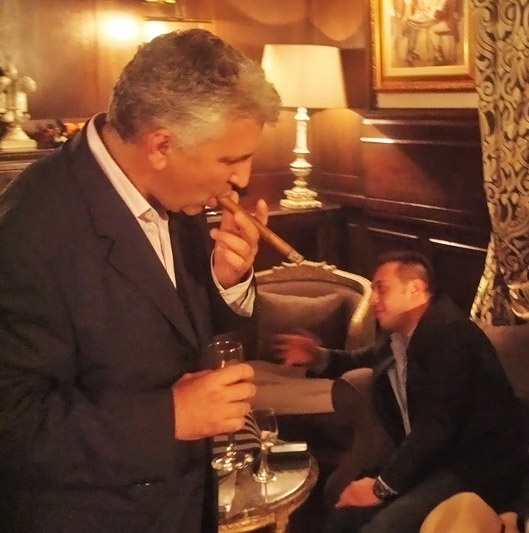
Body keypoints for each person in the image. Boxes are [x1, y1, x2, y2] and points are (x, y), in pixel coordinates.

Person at [0, 29, 280, 532]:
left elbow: (188, 343)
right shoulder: (27, 230)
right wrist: (169, 417)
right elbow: (12, 423)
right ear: (161, 145)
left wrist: (228, 282)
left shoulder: (179, 194)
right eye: (230, 159)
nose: (241, 179)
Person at [273, 250, 528, 533]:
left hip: (475, 467)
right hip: (430, 464)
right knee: (344, 515)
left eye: (381, 288)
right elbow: (363, 358)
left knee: (382, 527)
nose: (373, 300)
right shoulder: (401, 337)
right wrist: (316, 356)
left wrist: (381, 487)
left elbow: (437, 426)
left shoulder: (454, 336)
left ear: (414, 289)